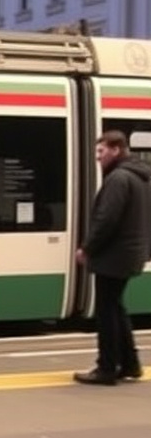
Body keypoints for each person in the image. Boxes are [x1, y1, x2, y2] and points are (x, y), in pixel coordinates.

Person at [74, 130, 151, 386]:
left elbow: (107, 219)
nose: (98, 157)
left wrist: (88, 248)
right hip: (128, 253)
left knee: (106, 310)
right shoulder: (138, 176)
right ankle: (130, 363)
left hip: (114, 255)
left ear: (116, 150)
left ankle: (106, 367)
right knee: (116, 306)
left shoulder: (118, 179)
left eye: (101, 151)